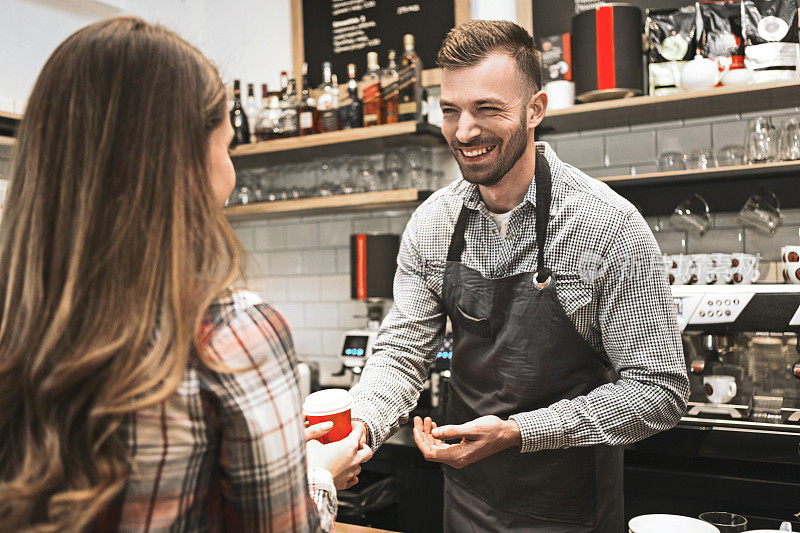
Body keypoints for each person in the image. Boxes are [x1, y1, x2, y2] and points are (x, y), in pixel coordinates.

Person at [0, 17, 370, 532]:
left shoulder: (16, 322)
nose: (231, 172)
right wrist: (318, 476)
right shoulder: (235, 334)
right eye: (227, 146)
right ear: (186, 164)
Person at [350, 20, 689, 532]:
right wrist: (360, 428)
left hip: (569, 505)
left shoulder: (606, 224)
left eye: (487, 108)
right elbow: (401, 354)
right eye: (450, 111)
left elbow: (659, 389)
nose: (464, 132)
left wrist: (519, 432)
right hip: (467, 499)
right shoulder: (433, 222)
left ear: (535, 110)